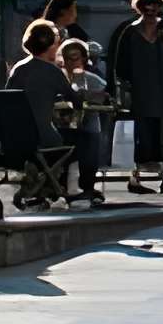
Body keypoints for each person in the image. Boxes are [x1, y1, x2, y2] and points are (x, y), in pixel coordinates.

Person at [102, 0, 163, 189]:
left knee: (154, 131)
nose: (152, 11)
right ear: (140, 9)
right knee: (138, 132)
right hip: (136, 90)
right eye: (147, 6)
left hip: (159, 90)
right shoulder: (128, 31)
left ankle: (155, 174)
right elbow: (117, 63)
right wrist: (119, 88)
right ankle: (137, 176)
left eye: (155, 7)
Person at [6, 18, 78, 207]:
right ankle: (57, 186)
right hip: (42, 136)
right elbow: (75, 99)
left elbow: (8, 98)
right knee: (77, 140)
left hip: (16, 136)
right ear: (52, 46)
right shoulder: (53, 72)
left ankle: (37, 183)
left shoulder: (18, 69)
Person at [59, 37, 109, 205]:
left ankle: (87, 186)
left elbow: (106, 97)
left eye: (75, 58)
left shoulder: (92, 78)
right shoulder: (58, 76)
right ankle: (63, 186)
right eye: (67, 58)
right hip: (64, 125)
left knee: (91, 140)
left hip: (88, 125)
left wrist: (90, 97)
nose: (71, 62)